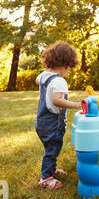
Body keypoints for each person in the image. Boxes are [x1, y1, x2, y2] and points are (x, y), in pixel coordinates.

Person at [35, 42, 81, 189]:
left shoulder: (44, 76)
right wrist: (75, 104)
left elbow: (37, 80)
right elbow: (56, 100)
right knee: (52, 149)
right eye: (69, 67)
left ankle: (51, 169)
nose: (68, 71)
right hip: (53, 123)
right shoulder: (59, 80)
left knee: (51, 148)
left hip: (41, 121)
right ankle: (46, 178)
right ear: (66, 64)